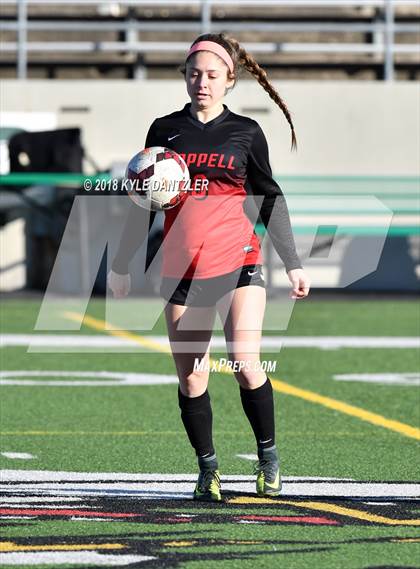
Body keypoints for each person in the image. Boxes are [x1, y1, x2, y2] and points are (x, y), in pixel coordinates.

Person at [108, 33, 311, 502]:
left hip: (239, 261)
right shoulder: (163, 131)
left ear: (229, 80)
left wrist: (294, 263)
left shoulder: (245, 132)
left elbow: (270, 197)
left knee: (244, 363)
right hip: (182, 268)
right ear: (184, 76)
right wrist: (122, 264)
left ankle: (268, 458)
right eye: (194, 73)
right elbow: (144, 203)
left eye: (212, 75)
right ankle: (208, 469)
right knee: (193, 375)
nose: (202, 82)